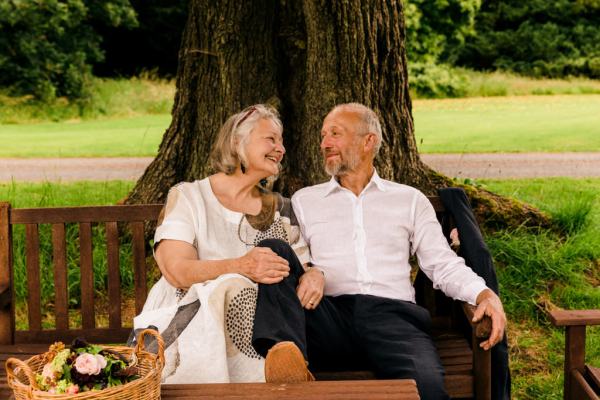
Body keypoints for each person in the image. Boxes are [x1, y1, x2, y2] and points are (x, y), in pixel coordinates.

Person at [254, 103, 507, 400]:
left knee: (426, 387)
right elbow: (294, 254)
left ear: (368, 141)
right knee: (273, 250)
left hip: (394, 320)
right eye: (323, 136)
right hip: (327, 317)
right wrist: (313, 270)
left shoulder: (408, 200)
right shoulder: (305, 200)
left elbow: (440, 262)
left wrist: (483, 294)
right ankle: (286, 358)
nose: (324, 143)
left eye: (335, 134)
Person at [131, 104, 323, 384]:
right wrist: (241, 267)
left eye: (281, 142)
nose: (280, 149)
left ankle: (287, 371)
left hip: (263, 332)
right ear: (236, 141)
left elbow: (301, 270)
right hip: (194, 318)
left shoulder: (281, 208)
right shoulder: (189, 196)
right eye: (271, 139)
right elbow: (176, 271)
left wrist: (316, 273)